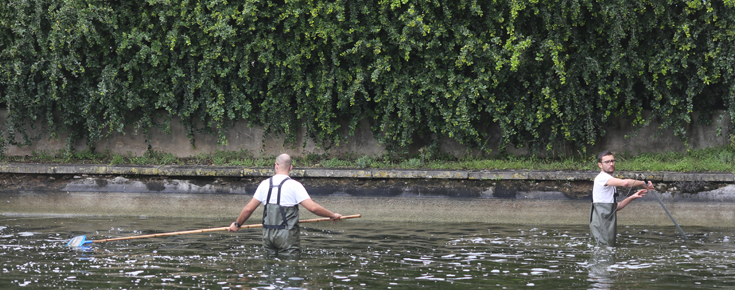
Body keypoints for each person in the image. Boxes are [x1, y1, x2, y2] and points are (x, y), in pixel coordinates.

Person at [228, 153, 342, 257]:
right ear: (291, 168)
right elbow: (312, 207)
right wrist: (331, 215)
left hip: (268, 236)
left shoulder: (264, 184)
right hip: (287, 237)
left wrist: (237, 224)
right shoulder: (295, 185)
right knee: (289, 270)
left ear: (276, 165)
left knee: (270, 268)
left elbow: (248, 209)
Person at [590, 150, 653, 246]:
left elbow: (614, 208)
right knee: (605, 251)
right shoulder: (601, 178)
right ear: (600, 165)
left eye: (612, 161)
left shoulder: (609, 181)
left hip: (606, 224)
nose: (611, 164)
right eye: (607, 162)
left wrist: (632, 197)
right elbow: (625, 183)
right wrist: (643, 183)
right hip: (601, 225)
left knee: (607, 250)